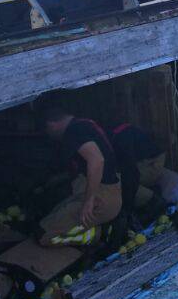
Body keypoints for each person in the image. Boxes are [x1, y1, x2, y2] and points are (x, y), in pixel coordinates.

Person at [35, 95, 137, 245]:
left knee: (43, 236)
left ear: (51, 125)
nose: (49, 135)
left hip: (102, 199)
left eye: (46, 130)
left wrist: (89, 201)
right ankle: (99, 228)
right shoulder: (84, 124)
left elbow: (97, 160)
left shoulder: (74, 131)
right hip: (109, 193)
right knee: (51, 217)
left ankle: (95, 235)